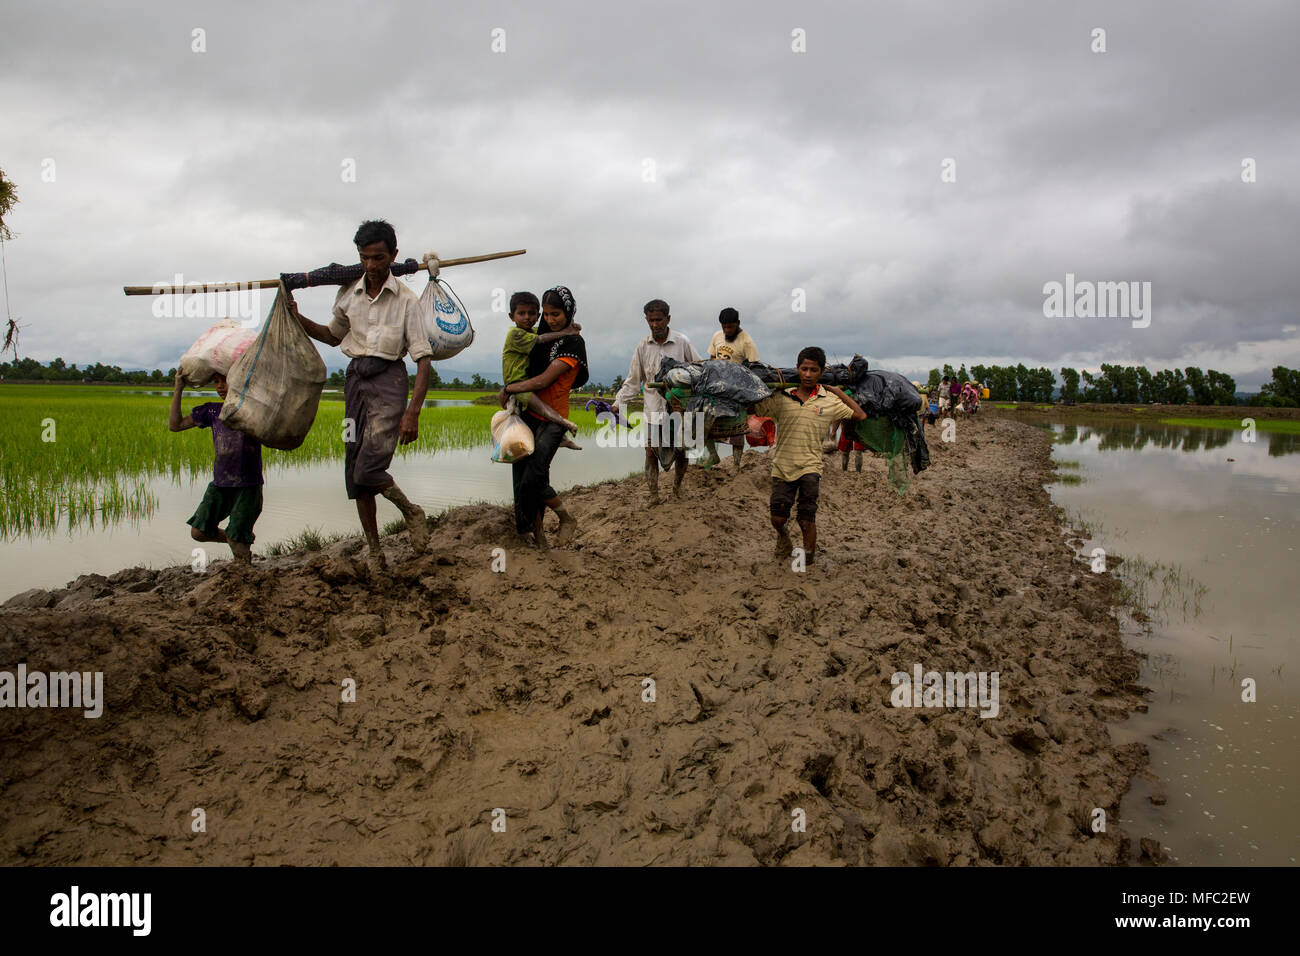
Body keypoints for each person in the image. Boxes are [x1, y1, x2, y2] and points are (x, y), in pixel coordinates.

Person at [290, 219, 432, 577]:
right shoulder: (348, 295)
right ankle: (375, 551)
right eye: (365, 258)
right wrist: (297, 318)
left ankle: (410, 511)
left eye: (379, 257)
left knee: (370, 466)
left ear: (393, 256)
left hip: (389, 383)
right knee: (355, 472)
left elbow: (423, 359)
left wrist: (412, 412)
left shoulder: (407, 301)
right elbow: (333, 335)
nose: (371, 265)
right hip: (354, 383)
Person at [750, 347, 866, 568]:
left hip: (811, 468)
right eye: (804, 369)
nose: (808, 374)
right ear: (797, 369)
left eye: (814, 370)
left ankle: (809, 558)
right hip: (782, 467)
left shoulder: (829, 401)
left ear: (821, 372)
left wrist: (838, 392)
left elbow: (860, 415)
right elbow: (753, 407)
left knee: (806, 518)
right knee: (778, 518)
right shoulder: (782, 397)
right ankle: (783, 538)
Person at [499, 285, 588, 551]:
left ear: (568, 312)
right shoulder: (536, 335)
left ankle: (566, 518)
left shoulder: (574, 342)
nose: (550, 320)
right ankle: (536, 536)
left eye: (556, 314)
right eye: (546, 315)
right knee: (522, 477)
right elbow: (520, 364)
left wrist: (509, 388)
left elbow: (545, 379)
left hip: (554, 418)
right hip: (529, 415)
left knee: (534, 478)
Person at [612, 299, 703, 505]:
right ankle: (654, 495)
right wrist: (618, 403)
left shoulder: (682, 342)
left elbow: (698, 369)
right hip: (653, 410)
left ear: (668, 319)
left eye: (659, 320)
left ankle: (677, 488)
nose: (655, 324)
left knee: (681, 450)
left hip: (680, 411)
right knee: (650, 451)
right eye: (651, 320)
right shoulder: (643, 346)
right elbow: (633, 382)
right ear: (646, 320)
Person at [169, 371, 261, 564]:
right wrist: (179, 387)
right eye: (216, 382)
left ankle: (243, 566)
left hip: (248, 485)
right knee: (199, 531)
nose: (220, 386)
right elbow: (175, 425)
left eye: (225, 381)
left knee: (240, 550)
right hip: (220, 484)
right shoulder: (211, 412)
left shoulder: (251, 411)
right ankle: (233, 538)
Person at [502, 291, 582, 449]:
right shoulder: (515, 334)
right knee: (540, 407)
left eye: (531, 313)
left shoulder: (532, 331)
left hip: (524, 383)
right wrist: (566, 332)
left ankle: (561, 437)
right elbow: (541, 339)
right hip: (517, 382)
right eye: (521, 313)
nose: (527, 317)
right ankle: (564, 424)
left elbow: (545, 333)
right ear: (512, 316)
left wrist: (569, 328)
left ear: (538, 316)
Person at [706, 306, 760, 473]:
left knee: (737, 428)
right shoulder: (717, 336)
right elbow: (712, 357)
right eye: (724, 327)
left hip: (737, 391)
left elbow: (754, 368)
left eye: (730, 327)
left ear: (738, 323)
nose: (727, 330)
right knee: (705, 422)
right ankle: (713, 455)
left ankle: (736, 464)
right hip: (716, 389)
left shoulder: (747, 342)